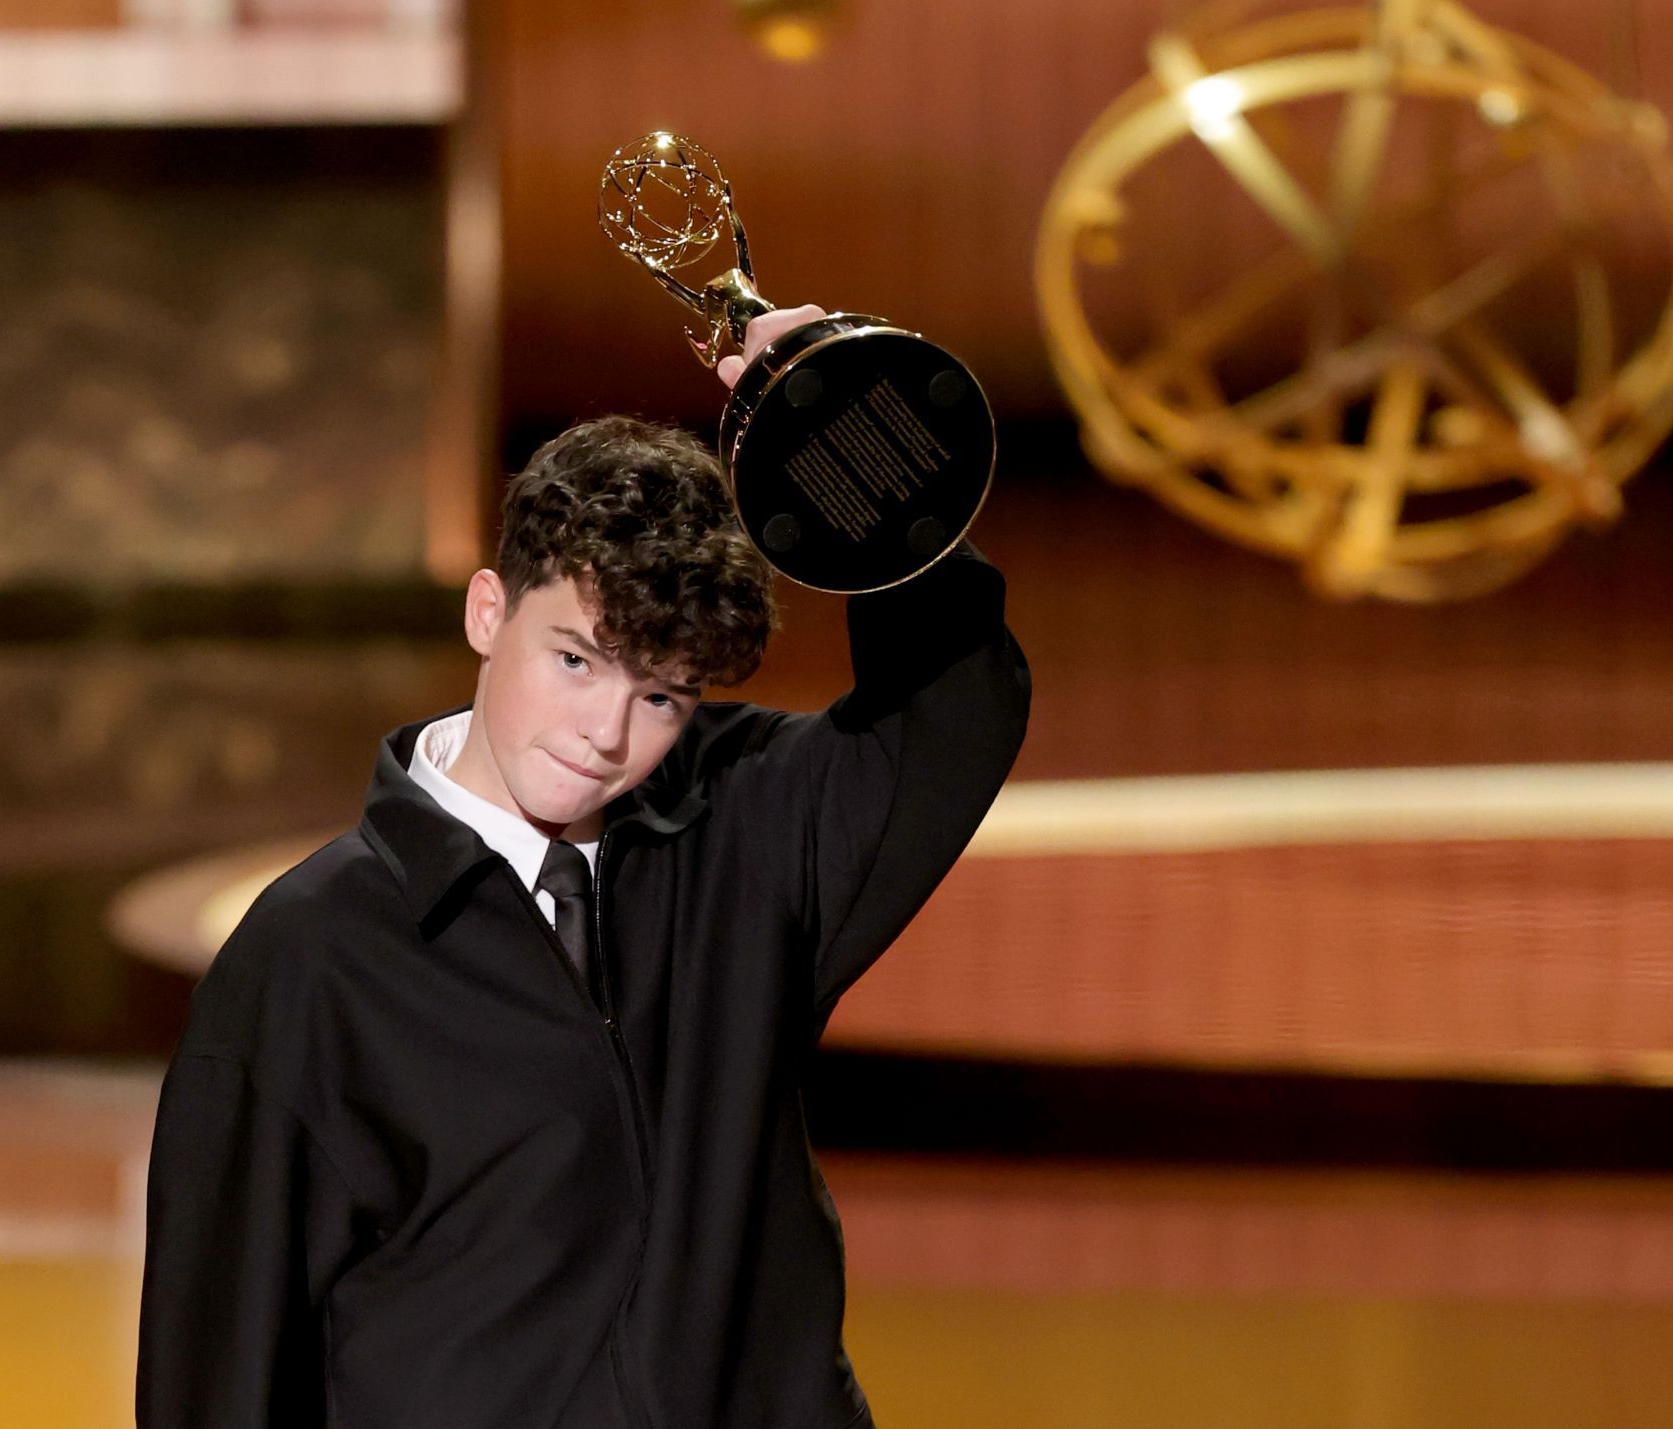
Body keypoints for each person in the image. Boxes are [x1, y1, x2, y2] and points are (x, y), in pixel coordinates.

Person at [136, 307, 1031, 1428]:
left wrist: (841, 422)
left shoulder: (737, 834)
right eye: (574, 662)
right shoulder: (311, 959)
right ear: (486, 610)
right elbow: (218, 1373)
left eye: (660, 695)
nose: (606, 734)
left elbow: (957, 712)